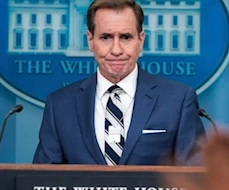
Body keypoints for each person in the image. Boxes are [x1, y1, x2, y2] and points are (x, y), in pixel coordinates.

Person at [33, 0, 205, 165]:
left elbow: (195, 182)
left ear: (141, 40)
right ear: (90, 41)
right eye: (106, 37)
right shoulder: (60, 105)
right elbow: (41, 183)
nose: (116, 50)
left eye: (126, 37)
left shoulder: (179, 101)